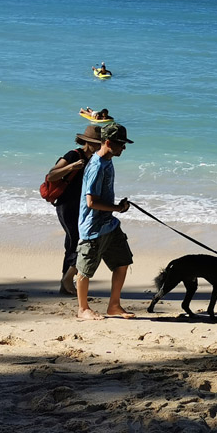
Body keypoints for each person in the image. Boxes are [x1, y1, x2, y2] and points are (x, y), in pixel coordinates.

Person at [75, 122, 136, 320]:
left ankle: (114, 305)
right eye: (120, 144)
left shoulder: (108, 161)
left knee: (123, 261)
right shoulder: (96, 166)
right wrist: (118, 208)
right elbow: (91, 202)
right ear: (108, 142)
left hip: (109, 224)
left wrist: (117, 208)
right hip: (92, 228)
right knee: (84, 270)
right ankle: (83, 309)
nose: (123, 148)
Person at [46, 125, 103, 295]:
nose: (98, 146)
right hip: (66, 205)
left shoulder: (94, 159)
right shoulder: (73, 155)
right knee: (75, 241)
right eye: (95, 143)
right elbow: (51, 175)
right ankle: (67, 282)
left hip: (81, 207)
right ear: (86, 142)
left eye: (99, 144)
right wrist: (71, 167)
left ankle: (66, 283)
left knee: (72, 243)